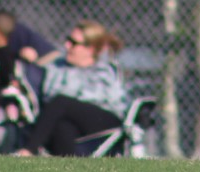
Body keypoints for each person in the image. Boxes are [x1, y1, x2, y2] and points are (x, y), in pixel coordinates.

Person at [16, 21, 130, 157]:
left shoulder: (106, 70)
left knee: (61, 102)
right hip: (69, 119)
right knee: (62, 126)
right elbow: (47, 93)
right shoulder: (59, 67)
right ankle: (70, 167)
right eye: (67, 40)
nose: (67, 46)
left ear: (90, 49)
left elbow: (114, 101)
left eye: (73, 43)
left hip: (103, 120)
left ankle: (28, 150)